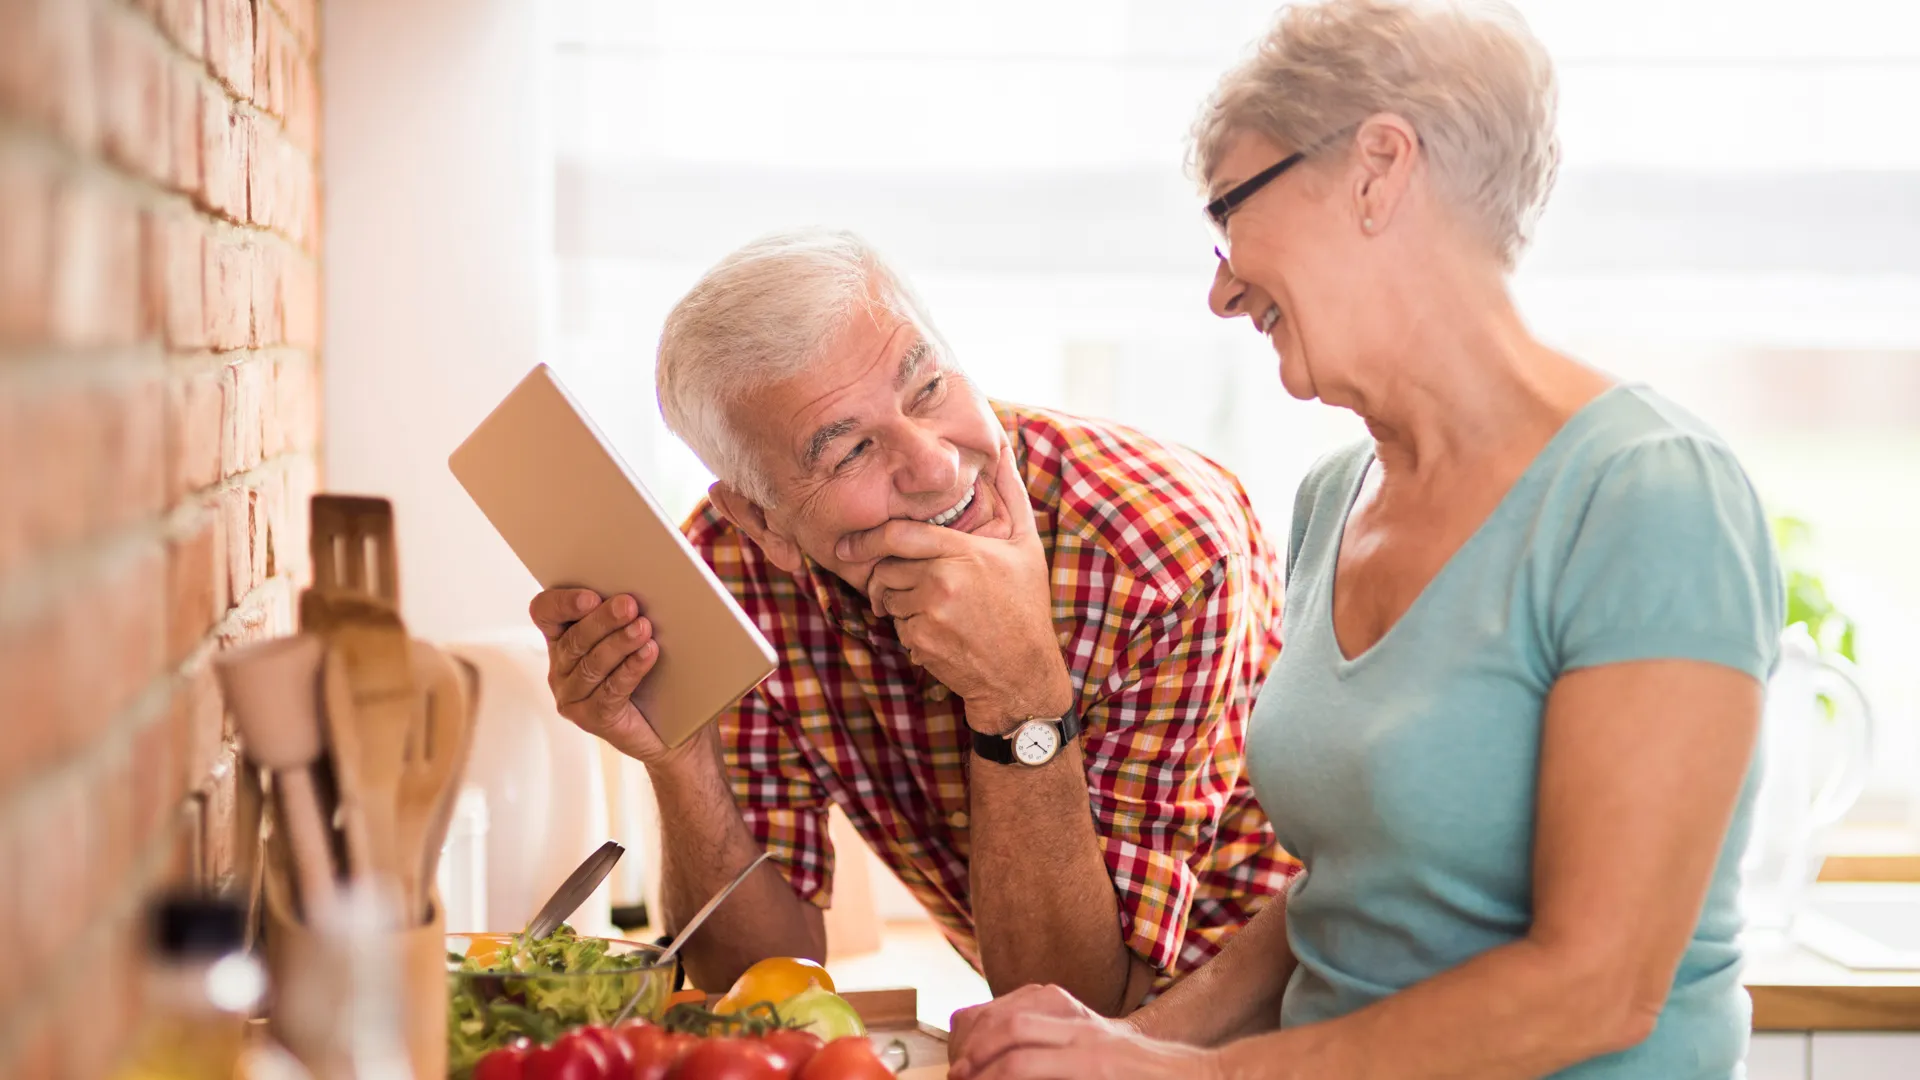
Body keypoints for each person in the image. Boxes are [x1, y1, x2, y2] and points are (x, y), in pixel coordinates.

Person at [948, 1, 1783, 1077]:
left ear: (1378, 170)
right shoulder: (1335, 499)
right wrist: (1131, 1043)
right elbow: (1348, 894)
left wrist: (1187, 1077)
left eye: (1232, 211)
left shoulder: (1648, 495)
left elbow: (1600, 988)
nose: (1220, 286)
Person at [527, 229, 1297, 1014]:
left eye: (927, 388)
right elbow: (759, 987)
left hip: (1290, 1014)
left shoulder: (1165, 556)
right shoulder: (732, 570)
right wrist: (680, 757)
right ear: (764, 524)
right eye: (851, 449)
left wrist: (1020, 694)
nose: (934, 466)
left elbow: (1085, 1005)